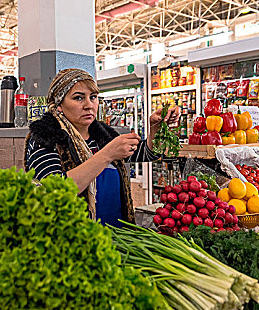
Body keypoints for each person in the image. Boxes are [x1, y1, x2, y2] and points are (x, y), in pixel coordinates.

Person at [24, 68, 180, 226]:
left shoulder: (103, 135)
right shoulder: (45, 138)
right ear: (58, 105)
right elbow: (52, 192)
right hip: (74, 241)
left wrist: (155, 128)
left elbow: (146, 154)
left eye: (93, 97)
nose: (89, 105)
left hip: (118, 238)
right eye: (78, 98)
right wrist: (107, 155)